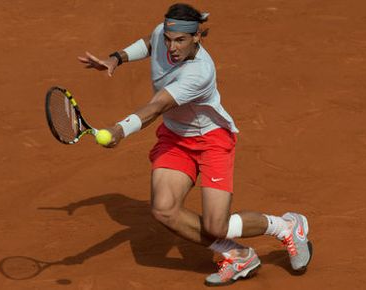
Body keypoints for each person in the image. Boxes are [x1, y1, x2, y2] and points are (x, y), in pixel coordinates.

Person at [78, 3, 312, 286]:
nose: (171, 47)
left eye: (180, 41)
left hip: (211, 140)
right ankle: (237, 255)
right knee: (164, 209)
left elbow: (156, 107)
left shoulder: (199, 72)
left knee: (217, 225)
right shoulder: (163, 36)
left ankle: (286, 226)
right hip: (176, 139)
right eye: (169, 39)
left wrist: (119, 130)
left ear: (197, 37)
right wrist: (117, 57)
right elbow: (149, 42)